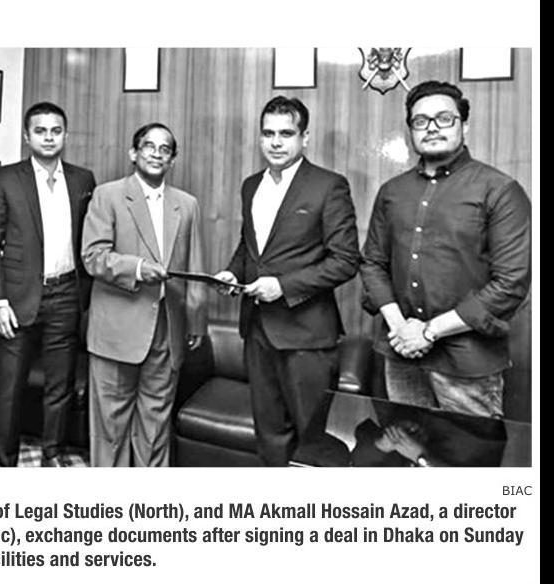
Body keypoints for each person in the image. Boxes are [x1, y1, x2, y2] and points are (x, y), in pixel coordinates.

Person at [360, 80, 531, 418]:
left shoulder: (500, 190)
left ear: (464, 125)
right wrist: (401, 328)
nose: (432, 127)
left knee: (469, 451)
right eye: (420, 121)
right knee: (406, 445)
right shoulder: (392, 191)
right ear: (410, 130)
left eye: (444, 118)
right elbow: (372, 263)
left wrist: (428, 331)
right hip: (400, 354)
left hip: (468, 364)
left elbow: (511, 284)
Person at [214, 96, 360, 466]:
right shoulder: (251, 186)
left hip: (307, 338)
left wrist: (283, 286)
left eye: (286, 134)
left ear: (304, 138)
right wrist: (234, 272)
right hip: (257, 332)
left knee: (315, 442)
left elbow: (346, 261)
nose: (276, 142)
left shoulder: (329, 186)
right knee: (269, 436)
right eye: (268, 134)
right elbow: (250, 248)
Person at [82, 122, 207, 467]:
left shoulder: (187, 204)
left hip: (167, 331)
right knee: (110, 428)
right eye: (149, 146)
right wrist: (137, 269)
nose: (156, 153)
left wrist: (196, 321)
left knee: (155, 427)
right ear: (133, 154)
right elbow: (93, 257)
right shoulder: (107, 195)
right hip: (116, 330)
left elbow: (195, 263)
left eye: (165, 149)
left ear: (172, 160)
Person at [0, 102, 96, 467]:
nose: (49, 137)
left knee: (59, 386)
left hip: (66, 295)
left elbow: (90, 239)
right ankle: (6, 461)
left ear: (66, 135)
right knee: (10, 387)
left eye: (56, 131)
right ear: (27, 136)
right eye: (41, 131)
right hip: (16, 298)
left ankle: (52, 454)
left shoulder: (83, 180)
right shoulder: (5, 178)